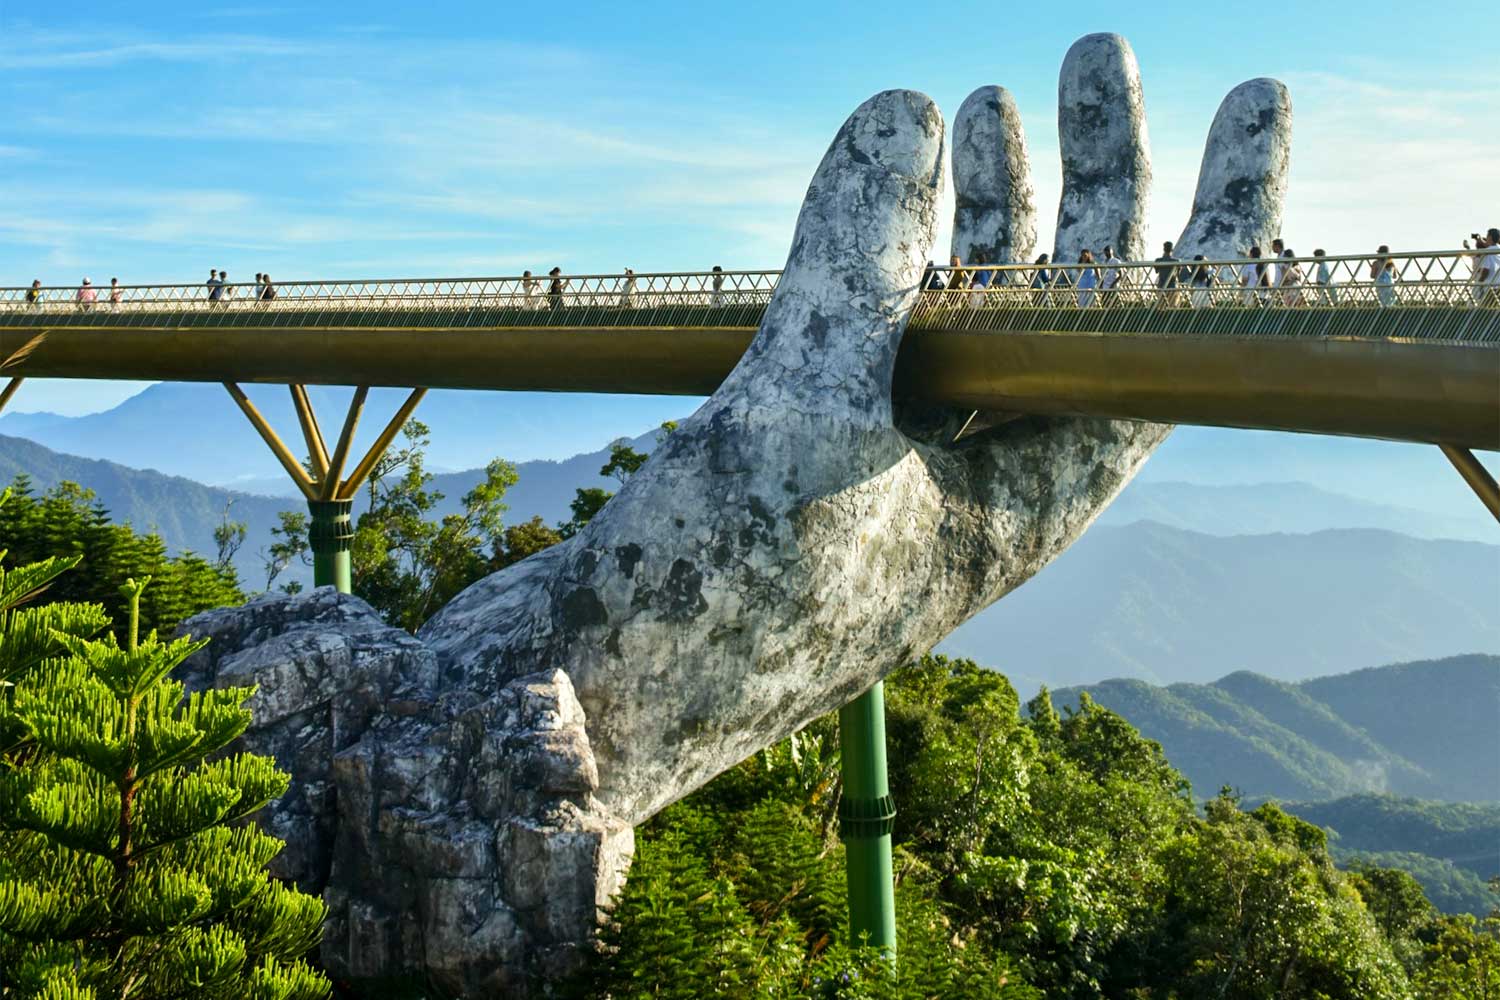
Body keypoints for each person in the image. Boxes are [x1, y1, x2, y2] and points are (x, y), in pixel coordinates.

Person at [1154, 240, 1181, 306]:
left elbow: (1156, 271)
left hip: (1161, 285)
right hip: (1172, 286)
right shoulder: (1177, 261)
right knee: (1172, 306)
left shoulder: (1158, 261)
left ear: (1164, 249)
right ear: (1172, 249)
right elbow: (1178, 273)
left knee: (1161, 307)